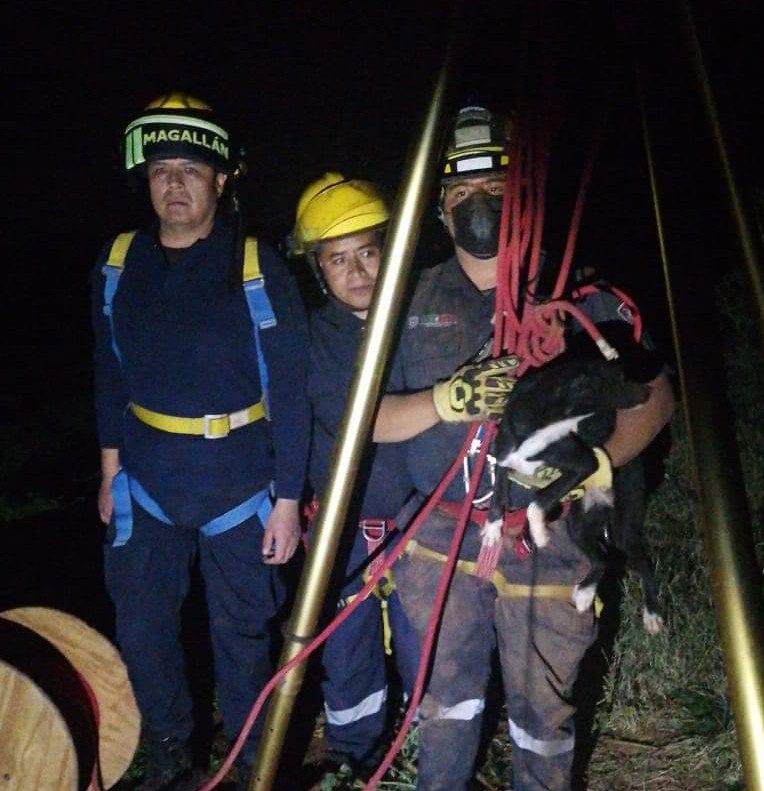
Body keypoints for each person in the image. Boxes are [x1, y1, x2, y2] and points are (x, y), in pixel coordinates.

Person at [391, 105, 675, 790]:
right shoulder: (411, 295)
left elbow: (656, 394)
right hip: (440, 538)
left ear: (521, 195)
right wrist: (441, 400)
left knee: (542, 710)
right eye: (459, 195)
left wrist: (599, 463)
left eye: (492, 188)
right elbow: (365, 417)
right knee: (442, 697)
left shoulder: (578, 287)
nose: (476, 206)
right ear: (438, 210)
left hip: (548, 539)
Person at [92, 92, 310, 791]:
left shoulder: (256, 266)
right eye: (161, 169)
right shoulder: (119, 263)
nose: (175, 183)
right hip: (147, 480)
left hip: (239, 485)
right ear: (145, 180)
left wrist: (286, 500)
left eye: (191, 169)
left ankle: (252, 760)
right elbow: (108, 373)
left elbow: (295, 392)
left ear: (221, 179)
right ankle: (167, 749)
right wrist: (108, 470)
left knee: (242, 636)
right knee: (143, 629)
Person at [293, 172, 519, 778]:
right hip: (346, 524)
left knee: (429, 644)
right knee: (349, 652)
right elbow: (356, 421)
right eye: (338, 260)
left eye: (369, 252)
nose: (358, 271)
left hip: (420, 517)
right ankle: (355, 758)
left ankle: (427, 749)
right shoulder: (318, 338)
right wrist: (449, 399)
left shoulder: (416, 313)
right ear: (318, 270)